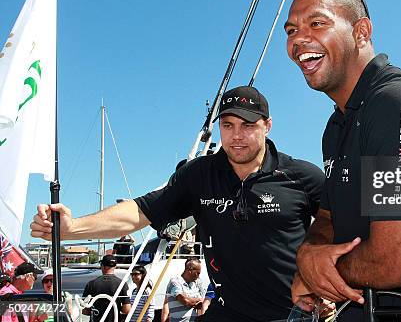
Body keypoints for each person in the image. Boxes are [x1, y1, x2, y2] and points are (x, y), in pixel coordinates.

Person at [31, 85, 324, 322]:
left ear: (267, 126)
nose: (236, 136)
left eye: (248, 125)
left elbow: (343, 225)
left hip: (294, 313)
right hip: (228, 311)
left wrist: (326, 283)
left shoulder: (302, 176)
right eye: (228, 125)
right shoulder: (198, 175)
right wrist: (70, 228)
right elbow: (140, 212)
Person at [284, 0, 401, 320]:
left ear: (361, 32)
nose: (299, 39)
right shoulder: (337, 125)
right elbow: (328, 215)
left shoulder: (397, 103)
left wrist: (314, 274)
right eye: (291, 31)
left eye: (317, 23)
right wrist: (309, 252)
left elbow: (393, 263)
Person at [82, 255, 131, 322]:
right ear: (115, 266)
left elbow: (86, 311)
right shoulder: (122, 284)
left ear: (102, 266)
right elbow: (127, 309)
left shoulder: (91, 284)